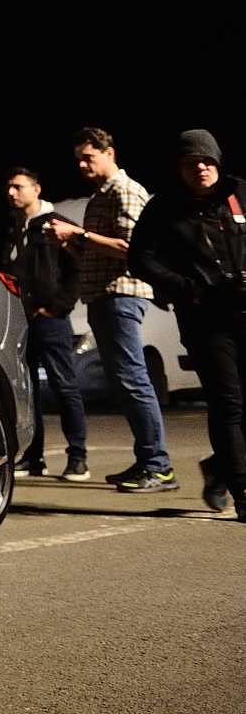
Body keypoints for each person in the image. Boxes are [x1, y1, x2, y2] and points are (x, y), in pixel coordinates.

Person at [127, 129, 246, 519]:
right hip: (205, 319)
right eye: (191, 162)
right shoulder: (163, 208)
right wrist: (185, 287)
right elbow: (140, 259)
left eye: (207, 160)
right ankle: (243, 490)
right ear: (179, 168)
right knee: (228, 403)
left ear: (218, 161)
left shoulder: (240, 194)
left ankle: (219, 468)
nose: (200, 167)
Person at [47, 127, 173, 492]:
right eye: (78, 159)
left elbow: (130, 247)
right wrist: (69, 245)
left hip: (121, 294)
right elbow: (97, 253)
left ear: (110, 153)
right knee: (124, 383)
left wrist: (78, 235)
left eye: (89, 157)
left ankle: (159, 466)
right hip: (102, 295)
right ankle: (147, 460)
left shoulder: (125, 190)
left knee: (133, 380)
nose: (82, 165)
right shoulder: (100, 197)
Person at [1, 167, 89, 480]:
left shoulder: (57, 224)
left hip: (51, 320)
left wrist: (57, 307)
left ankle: (78, 457)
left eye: (18, 187)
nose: (11, 193)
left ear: (36, 189)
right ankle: (34, 456)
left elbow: (77, 269)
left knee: (64, 386)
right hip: (22, 321)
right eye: (9, 187)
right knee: (28, 391)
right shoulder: (15, 227)